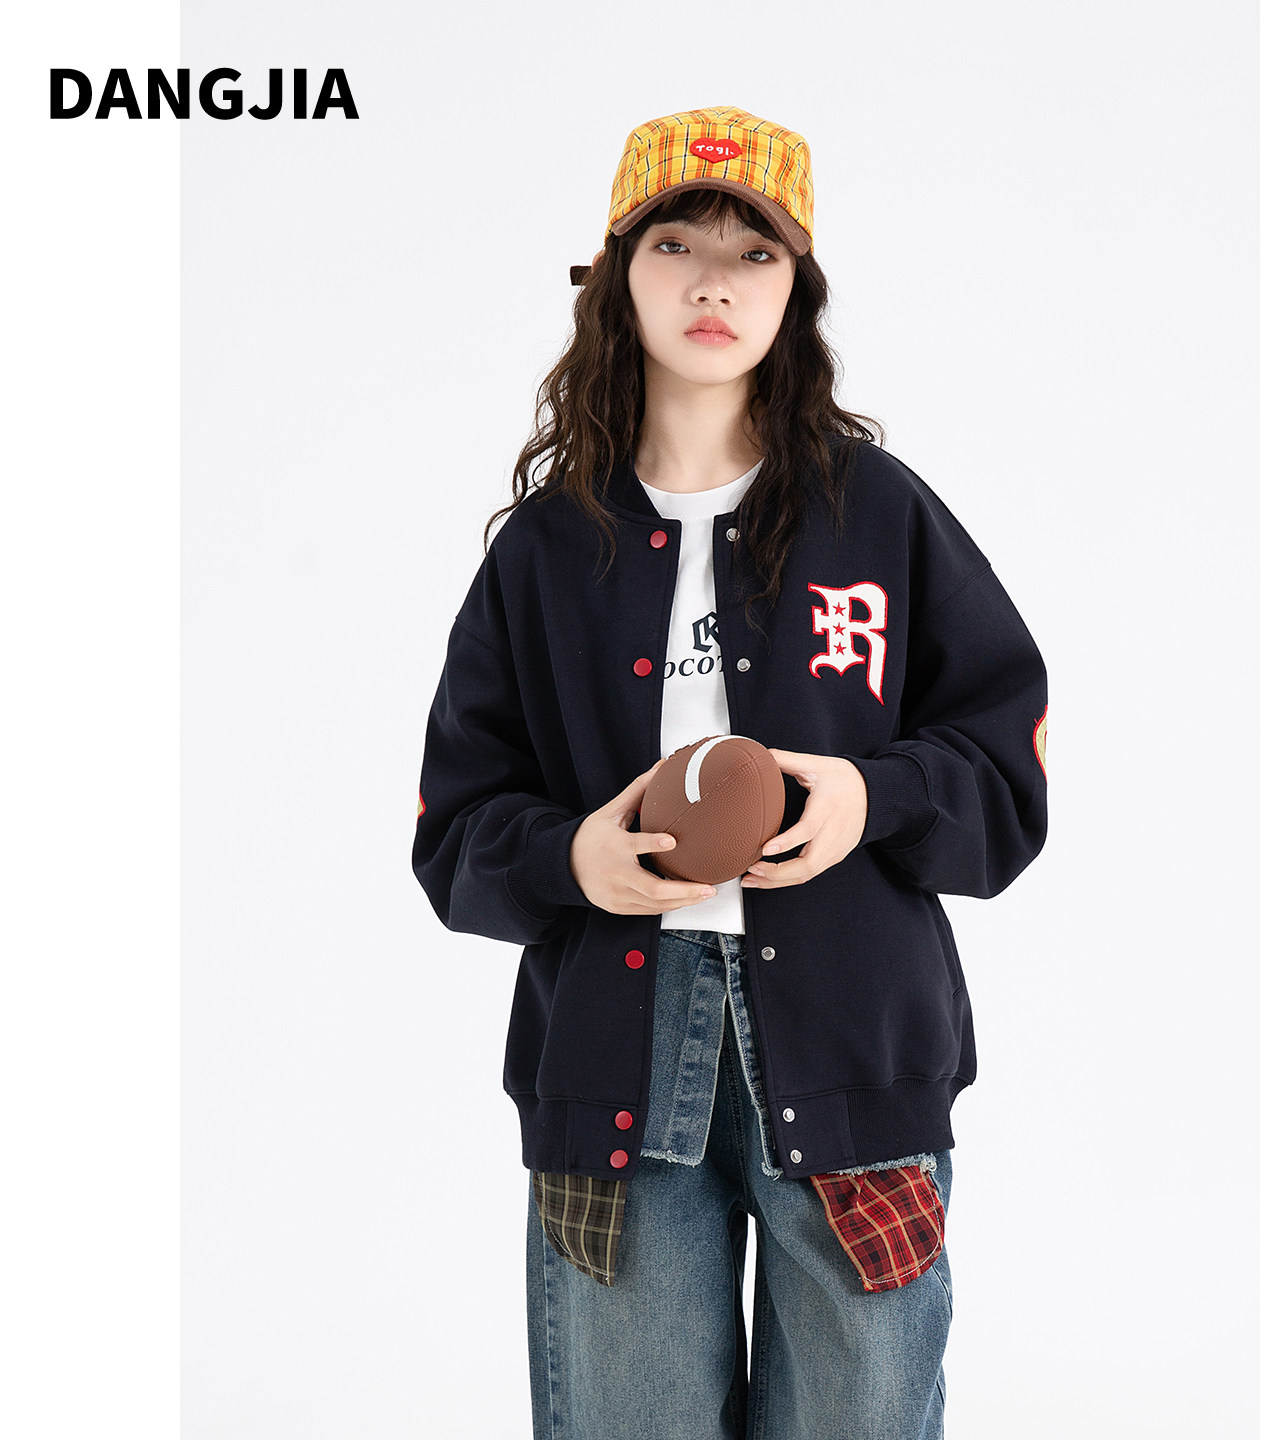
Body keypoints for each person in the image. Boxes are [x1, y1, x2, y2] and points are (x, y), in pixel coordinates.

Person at [412, 104, 1049, 1440]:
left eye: (753, 253)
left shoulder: (878, 513)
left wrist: (870, 797)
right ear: (614, 277)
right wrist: (573, 857)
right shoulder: (543, 550)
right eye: (676, 246)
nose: (714, 282)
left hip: (855, 1050)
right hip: (612, 1063)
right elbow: (455, 826)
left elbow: (1004, 767)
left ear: (797, 288)